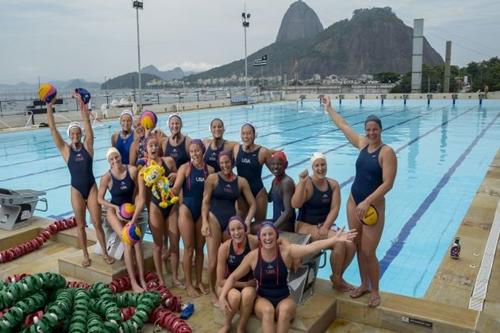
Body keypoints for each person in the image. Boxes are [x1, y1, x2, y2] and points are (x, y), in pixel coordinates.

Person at [324, 96, 397, 307]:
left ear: (380, 130)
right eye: (368, 129)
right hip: (354, 203)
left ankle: (375, 290)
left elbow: (388, 183)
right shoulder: (363, 144)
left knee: (368, 251)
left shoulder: (387, 152)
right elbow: (344, 125)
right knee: (355, 245)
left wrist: (367, 201)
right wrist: (329, 109)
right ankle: (364, 284)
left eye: (375, 129)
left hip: (372, 208)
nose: (371, 133)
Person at [219, 222, 357, 333]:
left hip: (284, 297)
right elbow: (233, 277)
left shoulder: (286, 252)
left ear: (276, 236)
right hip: (262, 299)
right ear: (259, 238)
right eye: (264, 235)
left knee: (284, 312)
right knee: (268, 312)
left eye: (271, 234)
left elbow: (311, 248)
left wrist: (334, 239)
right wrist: (222, 296)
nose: (268, 238)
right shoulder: (253, 257)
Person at [46, 92, 114, 267]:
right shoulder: (65, 150)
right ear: (69, 135)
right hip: (76, 189)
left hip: (91, 188)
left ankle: (105, 253)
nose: (75, 136)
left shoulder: (88, 146)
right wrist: (49, 106)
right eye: (73, 134)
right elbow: (53, 130)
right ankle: (85, 255)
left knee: (97, 223)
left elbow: (87, 124)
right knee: (81, 225)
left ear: (81, 135)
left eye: (78, 134)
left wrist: (82, 103)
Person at [291, 152, 356, 292]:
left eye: (323, 165)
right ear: (312, 167)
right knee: (338, 242)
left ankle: (337, 276)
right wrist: (301, 183)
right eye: (317, 165)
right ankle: (338, 281)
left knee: (351, 243)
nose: (320, 168)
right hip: (305, 226)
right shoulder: (307, 183)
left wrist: (326, 226)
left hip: (323, 226)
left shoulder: (333, 184)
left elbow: (335, 208)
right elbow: (295, 204)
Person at [201, 151, 256, 304]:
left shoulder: (241, 181)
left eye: (228, 162)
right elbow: (205, 202)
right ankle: (213, 291)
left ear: (232, 162)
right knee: (212, 261)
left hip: (231, 223)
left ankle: (229, 286)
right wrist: (205, 222)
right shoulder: (212, 179)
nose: (225, 165)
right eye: (222, 162)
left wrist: (247, 221)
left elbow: (253, 204)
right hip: (214, 219)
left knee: (229, 258)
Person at [129, 135, 177, 287]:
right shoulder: (142, 172)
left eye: (156, 145)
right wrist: (133, 219)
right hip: (156, 207)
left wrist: (175, 175)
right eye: (151, 146)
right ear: (146, 150)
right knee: (158, 246)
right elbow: (142, 198)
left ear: (159, 148)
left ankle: (175, 278)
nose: (154, 148)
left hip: (171, 205)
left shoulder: (169, 161)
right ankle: (161, 279)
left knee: (174, 244)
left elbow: (178, 177)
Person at [97, 147, 146, 292]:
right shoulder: (106, 177)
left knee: (136, 241)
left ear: (120, 156)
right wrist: (115, 208)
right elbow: (99, 199)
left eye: (116, 157)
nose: (115, 161)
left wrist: (134, 216)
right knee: (127, 241)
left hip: (129, 210)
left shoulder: (132, 171)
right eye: (111, 159)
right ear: (109, 162)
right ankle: (133, 282)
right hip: (114, 211)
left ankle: (142, 278)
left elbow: (139, 195)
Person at [171, 139, 214, 297]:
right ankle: (189, 284)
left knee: (200, 249)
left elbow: (213, 193)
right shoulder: (185, 169)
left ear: (203, 151)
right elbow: (176, 188)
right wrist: (169, 191)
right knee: (188, 249)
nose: (194, 154)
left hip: (202, 212)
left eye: (197, 150)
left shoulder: (210, 170)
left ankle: (198, 282)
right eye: (191, 151)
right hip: (187, 210)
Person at [216, 216, 259, 333]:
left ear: (245, 229)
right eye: (233, 230)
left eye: (239, 228)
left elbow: (274, 239)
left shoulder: (253, 241)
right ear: (229, 233)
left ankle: (241, 327)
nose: (236, 233)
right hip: (228, 285)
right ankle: (227, 325)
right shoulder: (224, 248)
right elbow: (220, 281)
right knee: (235, 297)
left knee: (248, 294)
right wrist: (244, 284)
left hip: (249, 284)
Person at [233, 123, 272, 223]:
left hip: (258, 192)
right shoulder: (236, 149)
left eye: (249, 133)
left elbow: (276, 172)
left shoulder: (263, 152)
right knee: (240, 224)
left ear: (255, 135)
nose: (246, 136)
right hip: (241, 194)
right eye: (243, 133)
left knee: (260, 225)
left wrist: (272, 192)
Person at [266, 151, 296, 233]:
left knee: (257, 229)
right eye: (273, 164)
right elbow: (269, 199)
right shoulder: (274, 181)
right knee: (251, 227)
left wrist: (272, 227)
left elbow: (288, 212)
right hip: (276, 221)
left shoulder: (286, 183)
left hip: (286, 225)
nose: (275, 167)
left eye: (279, 164)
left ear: (286, 165)